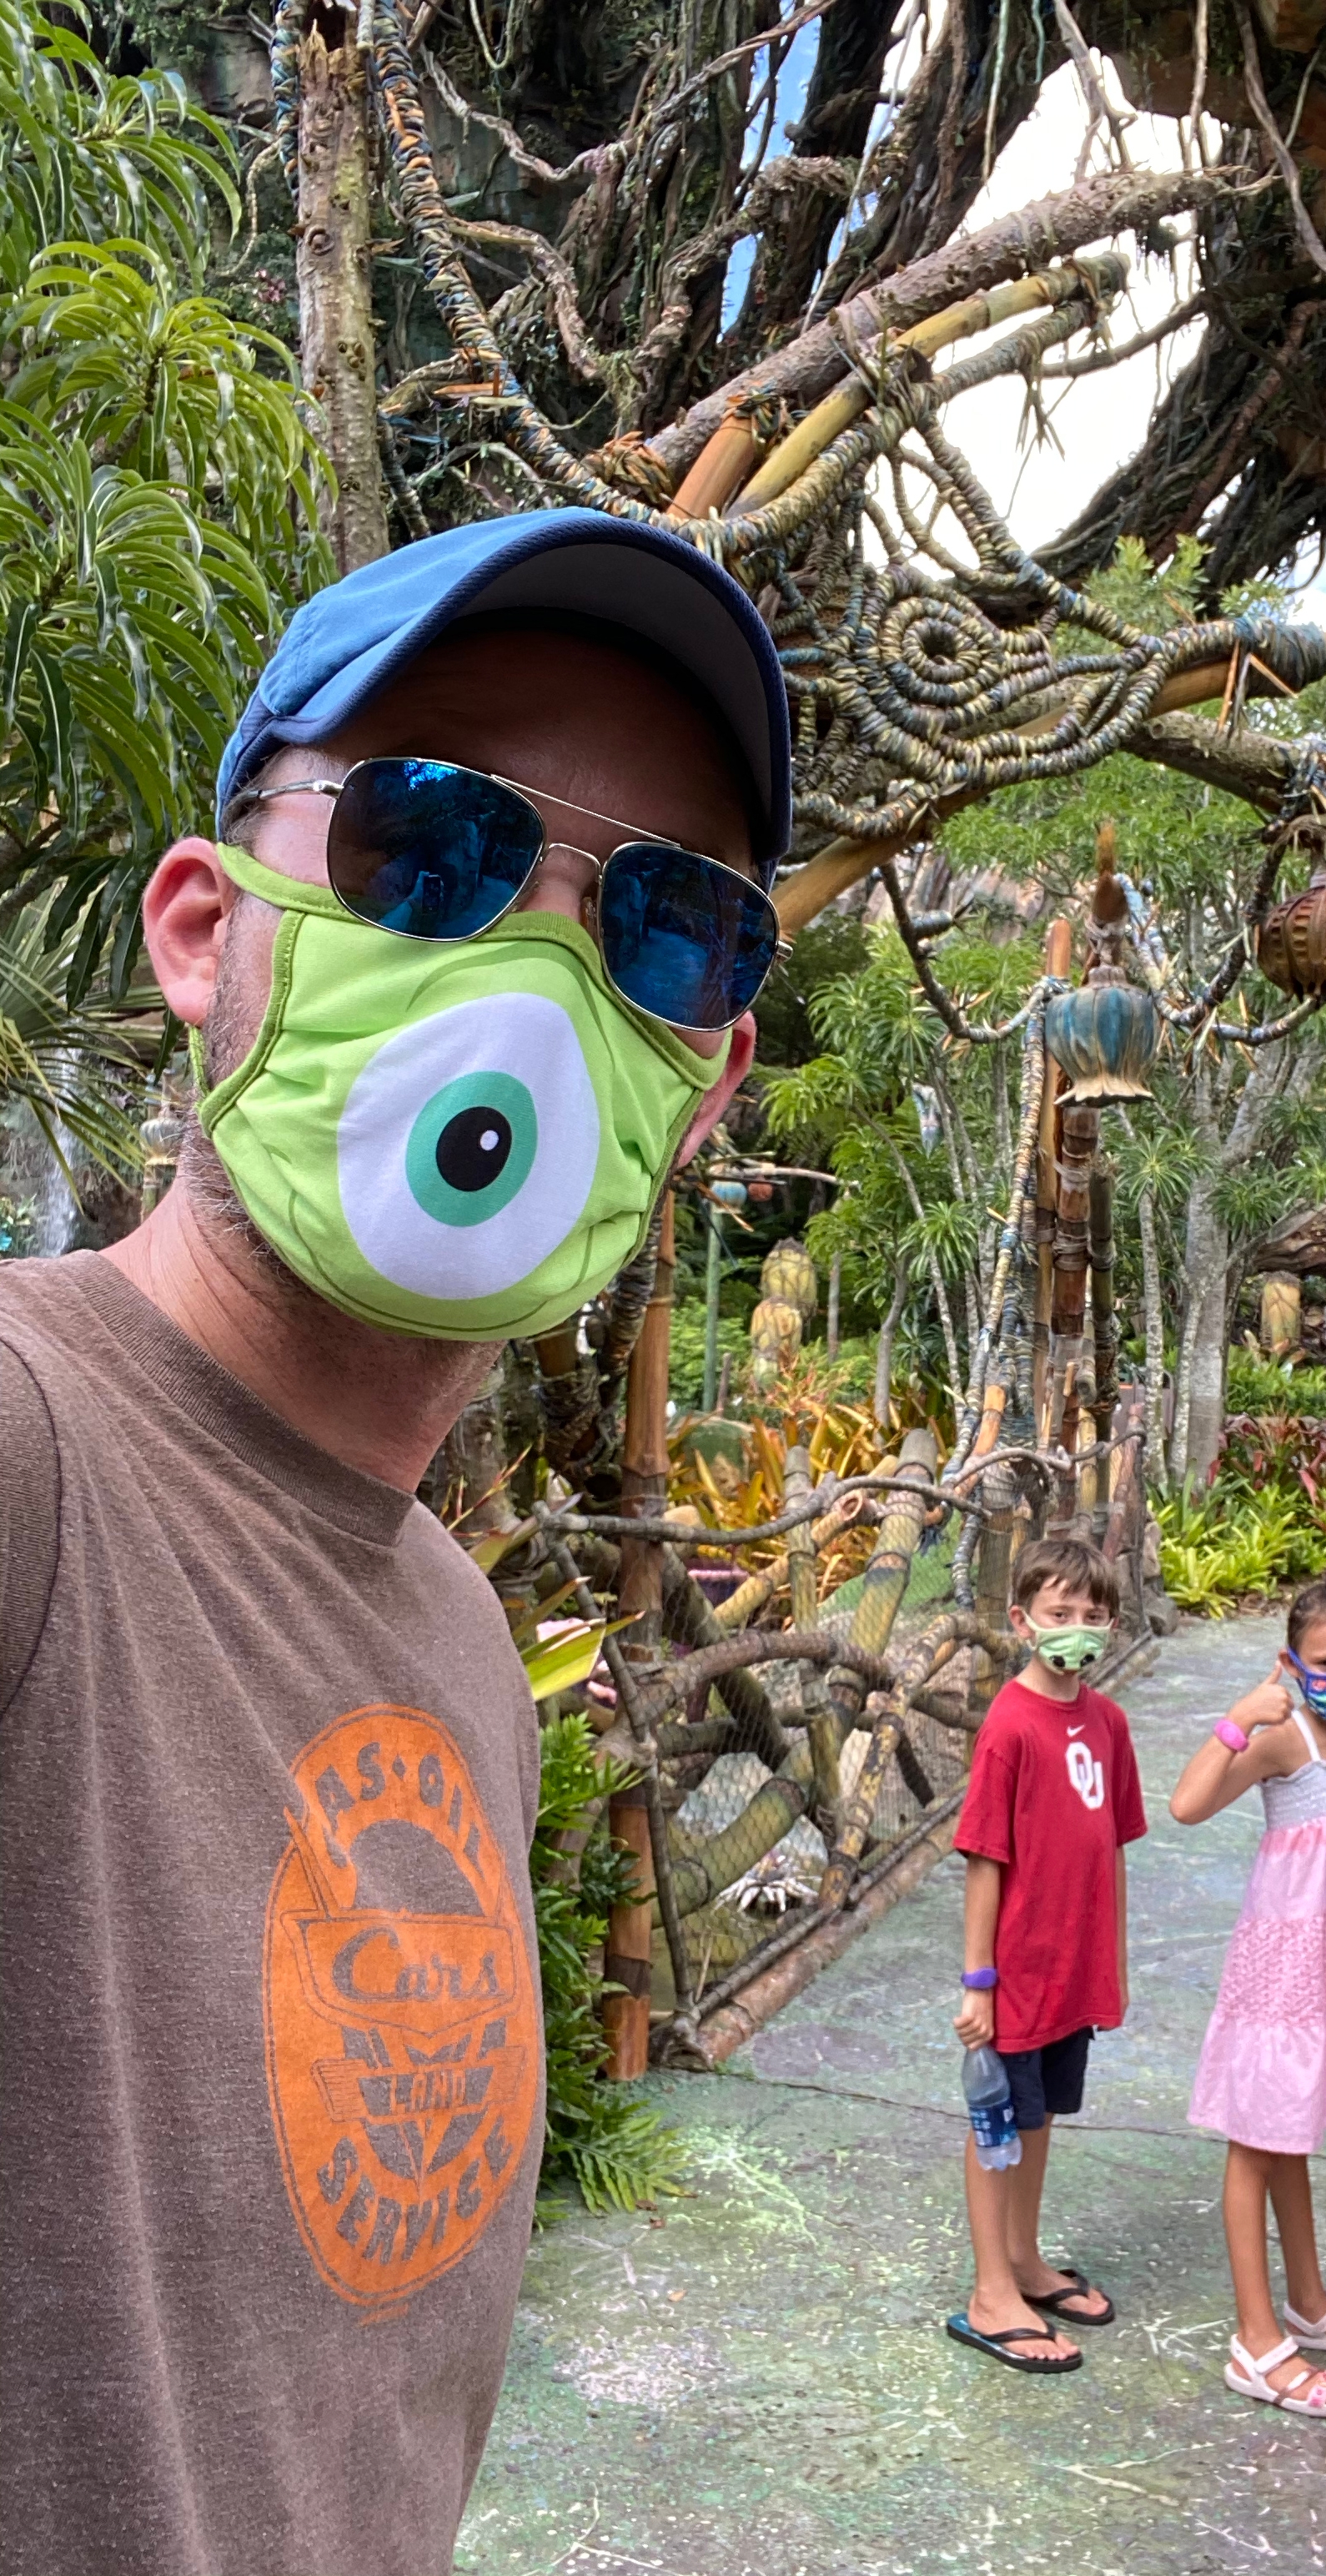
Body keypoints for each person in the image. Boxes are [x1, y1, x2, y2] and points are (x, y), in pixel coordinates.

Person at [0, 511, 792, 2576]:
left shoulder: (460, 1643)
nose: (539, 967)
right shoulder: (34, 1453)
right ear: (205, 928)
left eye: (668, 922)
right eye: (430, 841)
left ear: (705, 1084)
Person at [1172, 1574, 1326, 2419]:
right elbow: (1188, 1803)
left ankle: (1310, 2303)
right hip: (1281, 1976)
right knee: (1256, 2140)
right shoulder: (1286, 1739)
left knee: (1293, 2133)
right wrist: (1240, 1717)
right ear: (1292, 1662)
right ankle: (1256, 2336)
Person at [947, 1535, 1146, 2373]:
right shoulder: (1009, 1725)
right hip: (1017, 1973)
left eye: (1093, 1614)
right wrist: (979, 1981)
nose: (1078, 1628)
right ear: (1023, 1620)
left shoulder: (1108, 1723)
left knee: (1042, 2116)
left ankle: (1025, 2259)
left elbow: (1113, 1846)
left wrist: (1112, 1963)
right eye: (1061, 1612)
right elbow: (985, 1858)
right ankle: (990, 2291)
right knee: (998, 2119)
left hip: (1074, 1968)